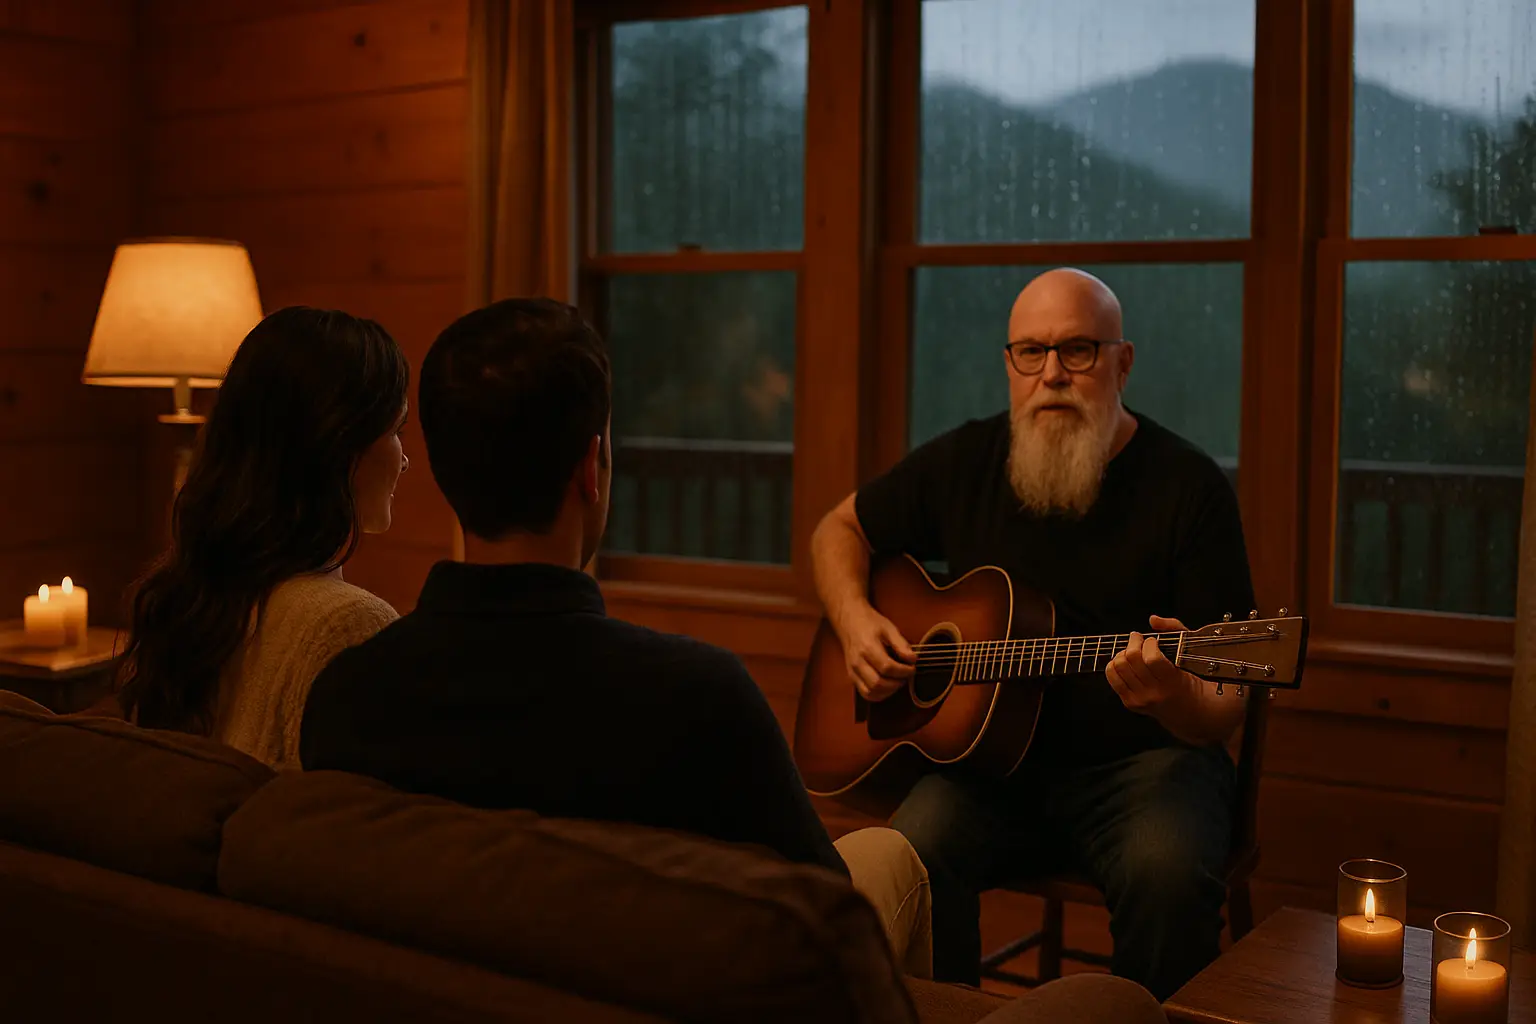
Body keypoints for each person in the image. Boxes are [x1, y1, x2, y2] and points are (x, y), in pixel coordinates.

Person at [299, 297, 932, 976]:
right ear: (589, 467)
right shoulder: (699, 701)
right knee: (890, 858)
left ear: (445, 466)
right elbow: (829, 935)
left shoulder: (347, 697)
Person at [809, 267, 1255, 1000]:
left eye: (1077, 350)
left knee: (1168, 878)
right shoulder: (966, 461)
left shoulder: (1189, 489)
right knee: (907, 859)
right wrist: (857, 622)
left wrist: (1175, 697)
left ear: (1122, 361)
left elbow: (1227, 699)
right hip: (987, 774)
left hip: (1144, 769)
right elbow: (840, 528)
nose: (1052, 374)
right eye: (1030, 352)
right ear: (1009, 365)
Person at [115, 306, 408, 771]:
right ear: (339, 447)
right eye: (396, 431)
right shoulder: (349, 626)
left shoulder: (195, 598)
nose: (404, 459)